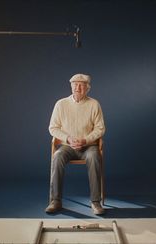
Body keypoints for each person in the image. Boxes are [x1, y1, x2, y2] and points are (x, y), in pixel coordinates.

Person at [45, 73, 106, 215]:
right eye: (75, 85)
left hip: (88, 146)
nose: (78, 88)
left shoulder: (94, 104)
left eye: (81, 85)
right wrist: (68, 139)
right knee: (58, 156)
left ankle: (95, 202)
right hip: (68, 146)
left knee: (94, 156)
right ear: (71, 86)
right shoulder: (61, 104)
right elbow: (53, 128)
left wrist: (85, 140)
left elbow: (100, 128)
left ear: (87, 88)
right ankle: (55, 200)